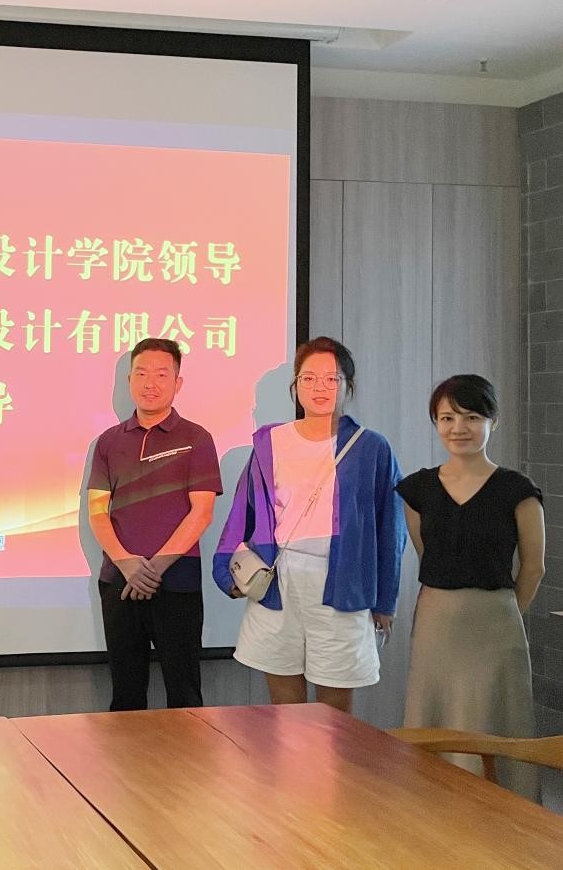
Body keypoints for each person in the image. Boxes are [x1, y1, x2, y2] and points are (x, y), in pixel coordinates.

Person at [213, 336, 405, 713]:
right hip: (279, 582)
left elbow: (390, 528)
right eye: (309, 378)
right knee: (286, 712)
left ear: (349, 386)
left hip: (342, 584)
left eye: (332, 379)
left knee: (334, 717)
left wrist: (386, 600)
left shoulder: (371, 447)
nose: (320, 387)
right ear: (296, 386)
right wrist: (225, 573)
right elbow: (242, 513)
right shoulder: (270, 443)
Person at [397, 375, 544, 799]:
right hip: (436, 621)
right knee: (434, 717)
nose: (458, 428)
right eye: (447, 418)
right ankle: (433, 812)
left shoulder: (517, 490)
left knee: (496, 720)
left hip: (496, 623)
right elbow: (427, 554)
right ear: (436, 423)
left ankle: (506, 815)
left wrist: (503, 614)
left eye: (472, 417)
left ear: (493, 422)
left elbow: (533, 568)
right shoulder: (417, 489)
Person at [87, 337, 222, 710]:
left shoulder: (197, 438)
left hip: (176, 579)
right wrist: (128, 565)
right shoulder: (108, 442)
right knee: (126, 695)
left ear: (178, 383)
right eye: (142, 374)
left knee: (184, 693)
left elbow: (202, 512)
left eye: (162, 374)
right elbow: (97, 511)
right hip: (119, 580)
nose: (151, 383)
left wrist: (154, 568)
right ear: (129, 380)